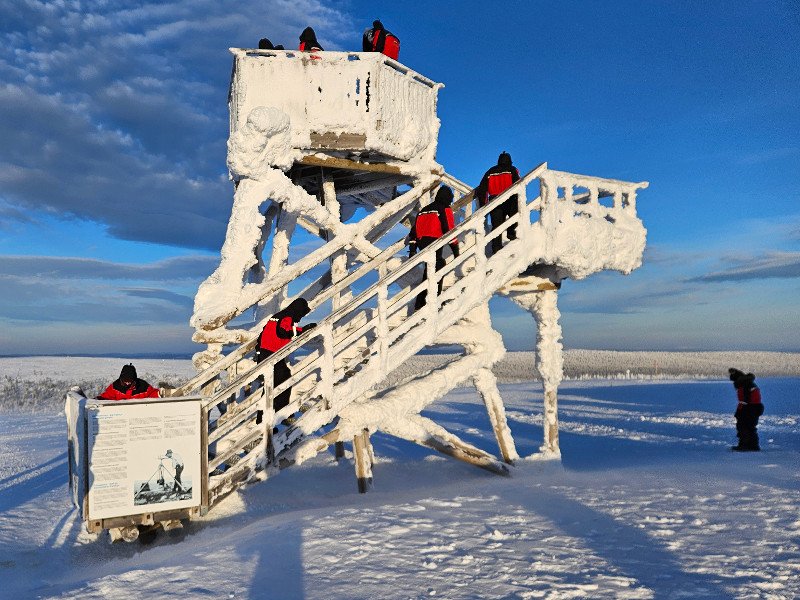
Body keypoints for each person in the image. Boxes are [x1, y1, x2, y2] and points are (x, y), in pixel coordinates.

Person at [256, 298, 316, 415]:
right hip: (271, 355)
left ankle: (262, 416)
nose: (301, 317)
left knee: (271, 384)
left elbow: (270, 330)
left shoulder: (280, 315)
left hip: (266, 353)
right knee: (282, 381)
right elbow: (283, 330)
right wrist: (302, 330)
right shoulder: (288, 316)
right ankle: (279, 413)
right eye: (302, 313)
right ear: (298, 310)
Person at [409, 186, 460, 310]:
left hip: (422, 244)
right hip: (434, 243)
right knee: (439, 267)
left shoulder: (423, 210)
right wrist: (455, 250)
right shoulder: (444, 208)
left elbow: (414, 231)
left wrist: (412, 248)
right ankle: (434, 302)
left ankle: (420, 304)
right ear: (448, 197)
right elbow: (449, 229)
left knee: (429, 272)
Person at [475, 151, 521, 254]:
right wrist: (516, 198)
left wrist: (484, 204)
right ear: (510, 161)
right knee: (515, 218)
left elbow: (482, 189)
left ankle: (496, 249)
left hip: (494, 202)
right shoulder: (512, 170)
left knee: (496, 227)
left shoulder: (490, 172)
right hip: (510, 199)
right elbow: (518, 184)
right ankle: (511, 234)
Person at [728, 368, 764, 451]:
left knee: (743, 427)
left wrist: (741, 412)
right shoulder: (748, 383)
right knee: (749, 427)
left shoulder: (744, 385)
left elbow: (746, 400)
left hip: (749, 409)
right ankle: (753, 446)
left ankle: (745, 445)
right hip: (753, 408)